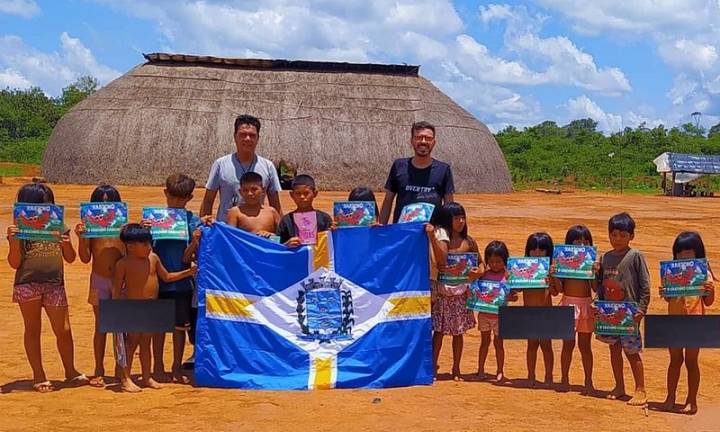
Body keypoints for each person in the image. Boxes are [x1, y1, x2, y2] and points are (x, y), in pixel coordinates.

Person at [7, 181, 89, 392]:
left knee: (64, 329)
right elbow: (14, 263)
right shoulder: (19, 229)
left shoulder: (59, 226)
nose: (48, 209)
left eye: (50, 204)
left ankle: (70, 370)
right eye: (43, 205)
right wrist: (14, 241)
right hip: (27, 283)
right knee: (33, 329)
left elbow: (70, 258)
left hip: (54, 283)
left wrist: (65, 243)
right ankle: (39, 374)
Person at [112, 224, 196, 393]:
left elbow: (166, 277)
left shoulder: (154, 258)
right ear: (130, 246)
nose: (148, 246)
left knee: (146, 343)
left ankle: (146, 376)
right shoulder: (123, 264)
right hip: (133, 308)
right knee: (131, 344)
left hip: (152, 307)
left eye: (149, 243)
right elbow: (116, 289)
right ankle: (125, 378)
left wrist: (188, 273)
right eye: (143, 244)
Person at [148, 174, 202, 384]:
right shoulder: (153, 218)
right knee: (159, 327)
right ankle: (158, 366)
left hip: (181, 282)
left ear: (189, 198)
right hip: (156, 282)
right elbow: (147, 250)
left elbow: (187, 258)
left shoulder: (192, 221)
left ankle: (176, 366)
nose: (176, 203)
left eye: (181, 199)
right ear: (165, 193)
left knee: (180, 328)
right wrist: (145, 230)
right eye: (173, 197)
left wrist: (195, 240)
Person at [596, 212, 650, 406]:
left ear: (631, 236)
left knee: (632, 352)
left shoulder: (636, 256)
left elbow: (645, 285)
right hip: (610, 314)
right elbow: (600, 286)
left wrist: (642, 309)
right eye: (614, 234)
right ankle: (619, 386)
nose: (617, 239)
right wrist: (598, 304)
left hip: (630, 315)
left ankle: (640, 389)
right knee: (614, 350)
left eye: (622, 235)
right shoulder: (605, 258)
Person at [75, 184, 126, 387]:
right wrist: (81, 239)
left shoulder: (123, 227)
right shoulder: (91, 229)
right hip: (99, 280)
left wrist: (136, 230)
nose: (105, 207)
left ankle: (121, 367)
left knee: (120, 326)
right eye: (101, 203)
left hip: (120, 282)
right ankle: (99, 368)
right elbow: (85, 258)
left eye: (109, 202)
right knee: (101, 326)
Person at [660, 231, 715, 415]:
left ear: (697, 254)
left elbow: (708, 302)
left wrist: (710, 290)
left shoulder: (704, 272)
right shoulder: (670, 272)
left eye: (688, 253)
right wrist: (665, 292)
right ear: (675, 254)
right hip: (674, 322)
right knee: (674, 361)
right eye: (680, 253)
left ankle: (692, 401)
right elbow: (670, 301)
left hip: (695, 322)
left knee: (692, 362)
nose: (683, 256)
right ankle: (670, 398)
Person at [431, 203, 481, 381]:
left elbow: (480, 264)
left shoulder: (470, 242)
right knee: (438, 332)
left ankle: (456, 369)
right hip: (442, 295)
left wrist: (478, 272)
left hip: (461, 295)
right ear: (447, 220)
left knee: (458, 334)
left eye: (463, 217)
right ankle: (432, 367)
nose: (461, 221)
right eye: (456, 218)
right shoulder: (440, 240)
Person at [201, 114, 282, 222]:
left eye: (252, 135)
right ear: (235, 136)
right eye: (243, 134)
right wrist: (204, 228)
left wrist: (282, 233)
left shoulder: (268, 167)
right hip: (227, 230)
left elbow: (275, 204)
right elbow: (208, 200)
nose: (247, 139)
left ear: (258, 138)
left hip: (255, 231)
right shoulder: (220, 164)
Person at [553, 225, 598, 395]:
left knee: (585, 347)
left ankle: (588, 381)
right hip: (568, 305)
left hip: (586, 305)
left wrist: (594, 272)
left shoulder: (590, 263)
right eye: (577, 241)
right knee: (567, 346)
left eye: (585, 241)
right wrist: (555, 274)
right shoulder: (564, 262)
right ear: (569, 243)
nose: (581, 244)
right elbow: (559, 289)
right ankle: (564, 379)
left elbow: (594, 288)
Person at [379, 121, 454, 224]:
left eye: (428, 138)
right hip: (402, 234)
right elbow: (388, 201)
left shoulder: (443, 169)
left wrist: (447, 235)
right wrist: (381, 228)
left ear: (434, 142)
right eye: (418, 137)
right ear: (412, 141)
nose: (423, 141)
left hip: (431, 236)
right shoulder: (399, 166)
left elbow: (449, 207)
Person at [476, 240, 516, 382]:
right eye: (491, 261)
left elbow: (513, 296)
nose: (494, 265)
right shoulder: (482, 275)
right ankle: (480, 370)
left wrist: (512, 296)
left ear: (504, 261)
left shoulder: (508, 276)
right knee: (484, 342)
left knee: (499, 344)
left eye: (498, 261)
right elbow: (475, 290)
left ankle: (500, 371)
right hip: (484, 315)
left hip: (501, 316)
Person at [522, 232, 556, 387]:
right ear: (528, 251)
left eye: (541, 250)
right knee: (531, 345)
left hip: (546, 314)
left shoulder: (549, 270)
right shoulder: (523, 269)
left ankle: (549, 377)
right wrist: (511, 278)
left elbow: (556, 292)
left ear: (548, 252)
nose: (537, 253)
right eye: (533, 249)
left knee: (546, 346)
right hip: (528, 314)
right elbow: (516, 289)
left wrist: (552, 278)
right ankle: (531, 376)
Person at [276, 174, 332, 247]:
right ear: (291, 195)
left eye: (306, 193)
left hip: (317, 257)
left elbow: (333, 244)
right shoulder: (286, 220)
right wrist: (287, 245)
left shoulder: (324, 219)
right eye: (298, 193)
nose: (302, 197)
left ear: (315, 193)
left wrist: (335, 231)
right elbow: (277, 247)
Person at [226, 172, 281, 236]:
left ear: (263, 190)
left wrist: (271, 236)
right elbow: (230, 237)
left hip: (266, 246)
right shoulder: (235, 212)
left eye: (254, 189)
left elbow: (284, 239)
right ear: (240, 192)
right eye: (245, 190)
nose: (250, 193)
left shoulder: (271, 212)